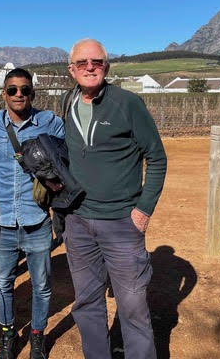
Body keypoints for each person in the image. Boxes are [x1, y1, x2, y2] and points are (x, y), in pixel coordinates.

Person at [62, 38, 167, 359]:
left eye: (97, 62)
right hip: (78, 223)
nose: (90, 67)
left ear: (107, 67)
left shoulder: (128, 103)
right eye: (82, 63)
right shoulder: (67, 101)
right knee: (87, 302)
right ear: (71, 70)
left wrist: (142, 211)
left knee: (133, 307)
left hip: (122, 223)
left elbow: (157, 157)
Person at [0, 68, 64, 359]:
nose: (19, 94)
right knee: (3, 282)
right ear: (3, 93)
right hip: (3, 221)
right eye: (12, 89)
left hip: (37, 219)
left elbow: (77, 148)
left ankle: (37, 336)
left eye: (25, 90)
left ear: (33, 93)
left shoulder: (49, 123)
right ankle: (7, 335)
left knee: (41, 286)